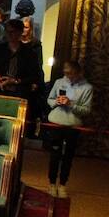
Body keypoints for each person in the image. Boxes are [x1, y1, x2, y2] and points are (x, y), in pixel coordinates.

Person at [44, 60, 94, 197]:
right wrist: (56, 102)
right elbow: (50, 99)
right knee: (54, 154)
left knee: (68, 157)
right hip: (56, 122)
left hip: (73, 124)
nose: (68, 76)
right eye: (66, 73)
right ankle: (52, 183)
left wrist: (71, 104)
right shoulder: (59, 82)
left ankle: (63, 184)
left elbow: (86, 110)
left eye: (71, 74)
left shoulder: (87, 88)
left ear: (79, 73)